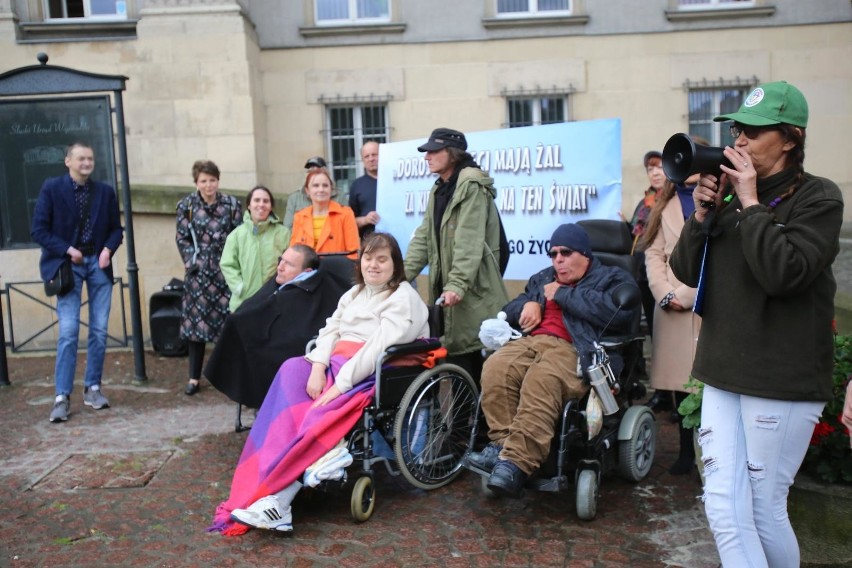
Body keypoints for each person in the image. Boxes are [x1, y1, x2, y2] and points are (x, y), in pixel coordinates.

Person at [669, 81, 844, 567]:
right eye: (738, 130)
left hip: (779, 376)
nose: (740, 140)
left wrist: (748, 203)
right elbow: (685, 271)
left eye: (755, 131)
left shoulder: (818, 198)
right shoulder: (726, 199)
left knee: (764, 509)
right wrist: (703, 213)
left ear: (790, 138)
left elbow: (784, 274)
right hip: (723, 370)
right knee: (724, 508)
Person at [210, 232, 429, 535]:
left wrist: (340, 384)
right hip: (335, 364)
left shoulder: (403, 297)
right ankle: (267, 480)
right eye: (368, 258)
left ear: (395, 265)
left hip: (367, 371)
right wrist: (318, 365)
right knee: (290, 371)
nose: (374, 265)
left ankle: (281, 502)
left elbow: (377, 348)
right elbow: (329, 331)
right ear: (360, 261)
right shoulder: (353, 294)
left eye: (382, 259)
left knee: (315, 414)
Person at [467, 223, 639, 497]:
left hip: (577, 347)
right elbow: (509, 309)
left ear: (584, 254)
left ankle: (518, 462)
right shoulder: (543, 278)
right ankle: (502, 446)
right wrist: (527, 305)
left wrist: (562, 294)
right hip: (532, 341)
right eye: (553, 253)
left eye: (565, 253)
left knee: (542, 378)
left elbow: (618, 314)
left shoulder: (611, 278)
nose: (558, 259)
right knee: (495, 366)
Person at [403, 127, 509, 379]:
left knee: (473, 360)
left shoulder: (470, 184)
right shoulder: (440, 187)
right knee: (456, 359)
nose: (426, 157)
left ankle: (478, 418)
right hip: (452, 290)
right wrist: (399, 277)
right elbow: (424, 238)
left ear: (452, 153)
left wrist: (457, 284)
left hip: (471, 290)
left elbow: (469, 241)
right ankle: (462, 417)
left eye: (433, 151)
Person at [31, 141, 123, 423]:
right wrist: (67, 250)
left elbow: (116, 231)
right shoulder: (52, 188)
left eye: (90, 159)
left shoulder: (105, 192)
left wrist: (108, 250)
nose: (87, 163)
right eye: (81, 158)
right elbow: (39, 230)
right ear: (68, 161)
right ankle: (61, 397)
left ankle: (93, 388)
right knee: (69, 332)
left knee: (98, 330)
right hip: (68, 266)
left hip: (98, 265)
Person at [205, 244, 353, 408]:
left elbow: (299, 330)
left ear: (307, 273)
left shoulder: (306, 291)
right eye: (281, 260)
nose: (280, 267)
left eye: (288, 264)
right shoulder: (280, 281)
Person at [641, 149, 705, 475]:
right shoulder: (664, 204)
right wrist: (665, 294)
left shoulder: (719, 201)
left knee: (708, 384)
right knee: (681, 387)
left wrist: (686, 294)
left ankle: (709, 454)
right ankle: (684, 453)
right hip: (671, 308)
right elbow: (653, 254)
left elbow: (715, 256)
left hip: (705, 305)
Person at [176, 160, 243, 396]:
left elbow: (239, 234)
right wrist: (191, 262)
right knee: (196, 327)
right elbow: (182, 238)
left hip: (226, 270)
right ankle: (194, 377)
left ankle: (229, 375)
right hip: (199, 274)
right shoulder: (186, 205)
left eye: (212, 180)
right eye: (204, 180)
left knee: (229, 325)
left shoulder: (232, 204)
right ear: (196, 182)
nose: (208, 185)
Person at [220, 185, 290, 312]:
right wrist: (239, 287)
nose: (261, 204)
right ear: (248, 205)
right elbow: (227, 264)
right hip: (244, 302)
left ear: (271, 206)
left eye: (266, 201)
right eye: (257, 200)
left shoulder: (284, 233)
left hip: (275, 300)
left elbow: (291, 263)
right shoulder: (236, 235)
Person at [290, 166, 360, 259]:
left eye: (325, 185)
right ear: (307, 191)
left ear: (331, 189)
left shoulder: (345, 214)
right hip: (306, 271)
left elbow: (353, 252)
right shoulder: (299, 216)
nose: (321, 189)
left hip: (335, 270)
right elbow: (294, 252)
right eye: (315, 185)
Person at [282, 156, 348, 230]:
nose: (313, 174)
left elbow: (347, 225)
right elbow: (287, 228)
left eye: (317, 170)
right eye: (309, 171)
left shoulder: (340, 196)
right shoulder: (294, 198)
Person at [348, 141, 381, 239]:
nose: (371, 159)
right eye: (367, 156)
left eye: (374, 155)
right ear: (362, 160)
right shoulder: (357, 185)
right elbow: (350, 221)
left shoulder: (395, 180)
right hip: (369, 240)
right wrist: (365, 220)